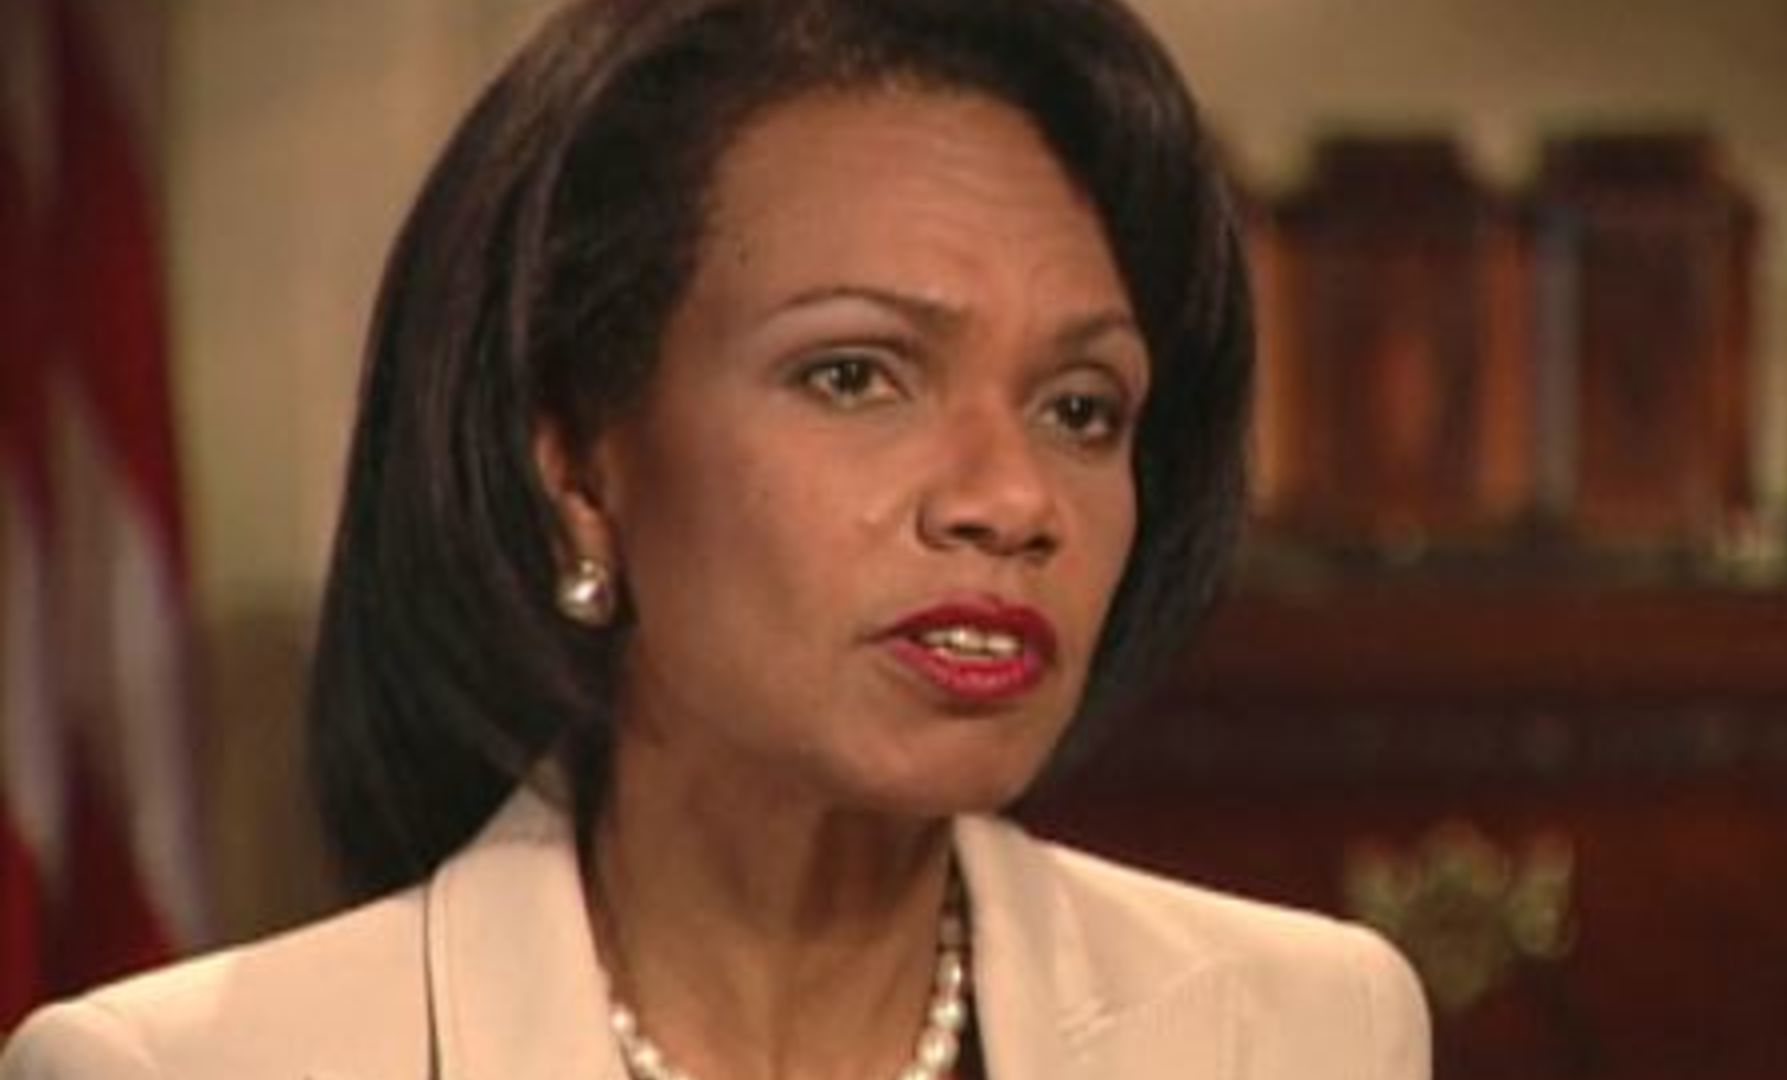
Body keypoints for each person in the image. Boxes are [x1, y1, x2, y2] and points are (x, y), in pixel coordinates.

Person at [1, 0, 1430, 1076]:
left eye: (1079, 407)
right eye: (855, 375)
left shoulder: (1302, 1032)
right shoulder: (186, 1070)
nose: (1011, 498)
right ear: (578, 465)